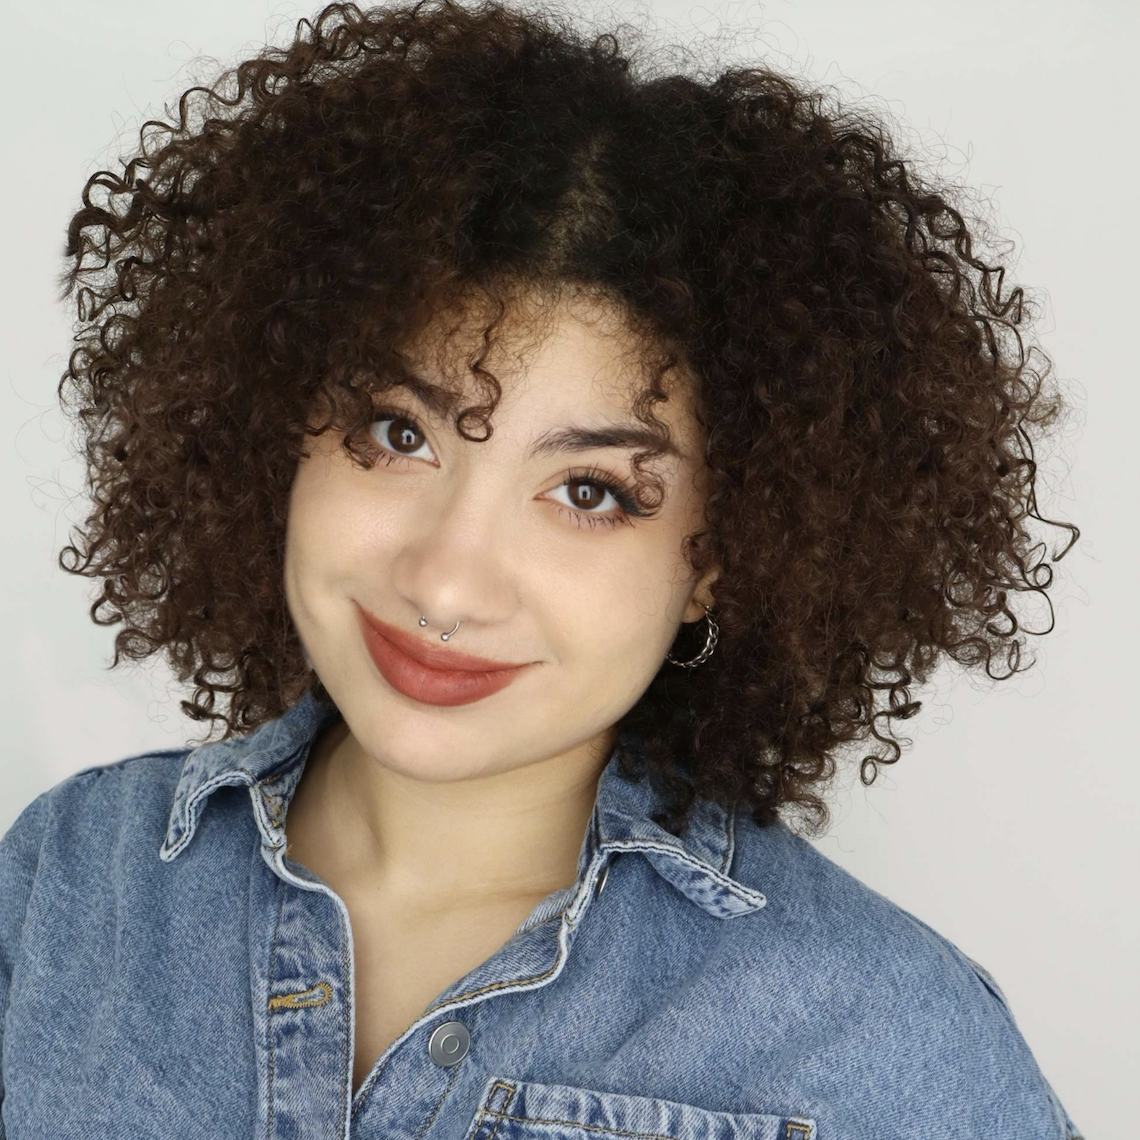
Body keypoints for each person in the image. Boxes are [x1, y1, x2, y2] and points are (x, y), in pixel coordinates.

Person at [0, 0, 1084, 1136]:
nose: (447, 585)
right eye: (400, 433)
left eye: (590, 493)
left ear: (720, 560)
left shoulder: (882, 1041)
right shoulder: (74, 879)